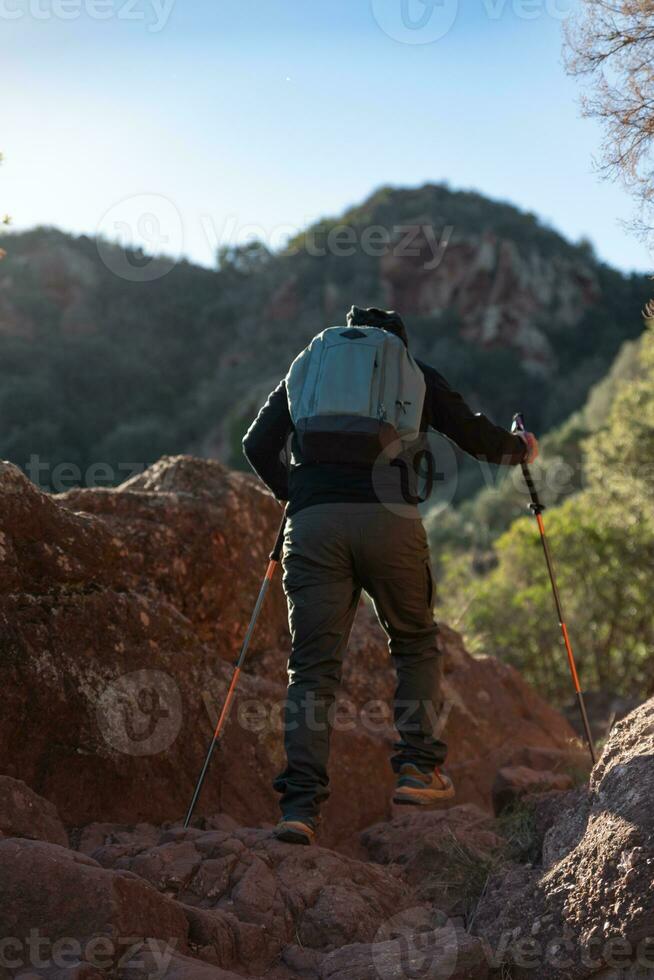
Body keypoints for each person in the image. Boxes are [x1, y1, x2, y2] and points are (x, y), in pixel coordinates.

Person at [242, 306, 538, 846]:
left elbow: (255, 446)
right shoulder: (413, 372)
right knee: (415, 642)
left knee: (311, 669)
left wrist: (298, 493)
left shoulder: (308, 368)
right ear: (395, 345)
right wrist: (521, 448)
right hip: (389, 522)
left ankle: (300, 808)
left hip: (313, 526)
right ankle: (418, 771)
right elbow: (477, 438)